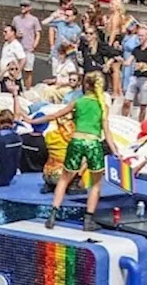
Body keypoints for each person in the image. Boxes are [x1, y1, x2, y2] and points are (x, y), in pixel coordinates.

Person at [24, 73, 117, 231]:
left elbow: (54, 115)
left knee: (64, 180)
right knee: (95, 185)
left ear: (85, 85)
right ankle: (88, 220)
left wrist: (31, 121)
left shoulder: (78, 102)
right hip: (93, 143)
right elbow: (107, 132)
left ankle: (52, 215)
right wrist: (115, 150)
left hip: (77, 141)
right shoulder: (103, 106)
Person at [11, 2, 42, 88]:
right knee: (15, 69)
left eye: (25, 6)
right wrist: (17, 35)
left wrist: (34, 45)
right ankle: (16, 88)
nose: (22, 8)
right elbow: (12, 32)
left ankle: (28, 89)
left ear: (30, 8)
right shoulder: (16, 19)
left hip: (28, 49)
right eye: (21, 6)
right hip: (17, 49)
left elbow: (38, 33)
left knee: (28, 71)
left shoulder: (34, 20)